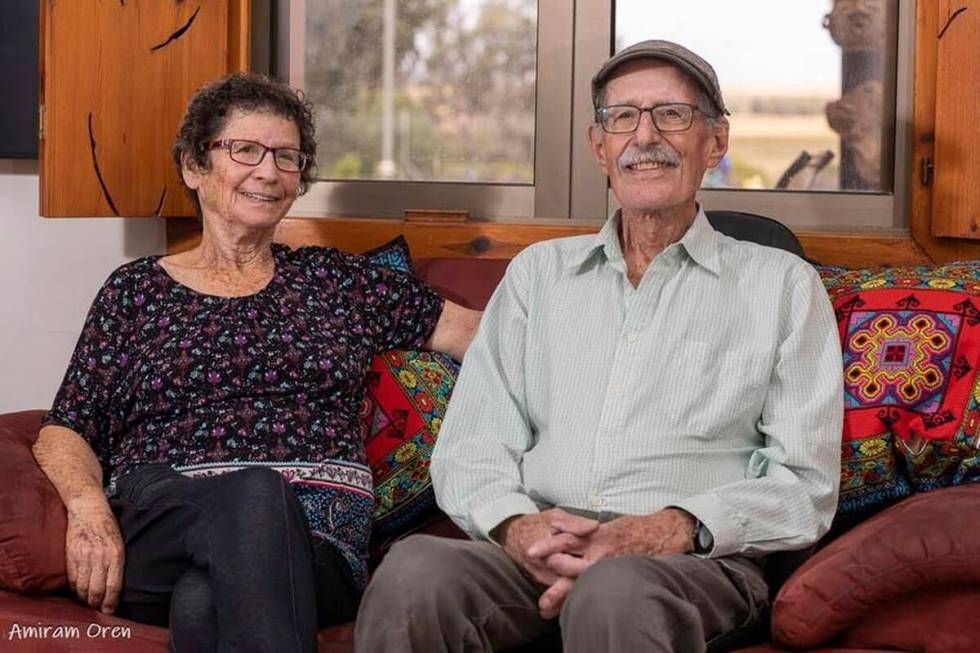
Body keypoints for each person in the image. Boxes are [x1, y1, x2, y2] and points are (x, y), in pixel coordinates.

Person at [355, 40, 844, 652]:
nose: (645, 136)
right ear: (600, 147)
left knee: (613, 590)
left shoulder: (781, 285)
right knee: (415, 572)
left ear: (715, 142)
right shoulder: (539, 275)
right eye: (623, 118)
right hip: (539, 546)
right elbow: (473, 443)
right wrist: (516, 528)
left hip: (689, 562)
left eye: (672, 114)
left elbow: (805, 484)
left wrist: (668, 529)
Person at [33, 72, 480, 653]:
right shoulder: (135, 291)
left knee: (202, 599)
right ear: (195, 166)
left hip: (320, 550)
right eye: (245, 150)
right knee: (255, 496)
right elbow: (66, 427)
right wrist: (88, 508)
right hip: (162, 525)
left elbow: (483, 335)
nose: (268, 172)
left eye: (287, 157)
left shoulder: (336, 281)